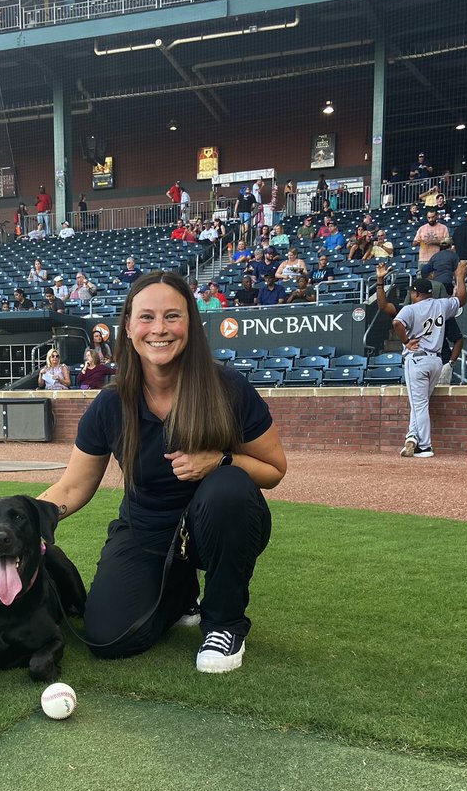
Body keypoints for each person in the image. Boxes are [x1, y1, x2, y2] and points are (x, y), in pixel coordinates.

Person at [37, 270, 286, 673]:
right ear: (129, 328)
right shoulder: (110, 405)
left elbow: (274, 470)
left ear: (190, 323)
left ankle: (223, 622)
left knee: (227, 488)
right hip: (146, 532)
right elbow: (72, 487)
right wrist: (19, 521)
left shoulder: (229, 388)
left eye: (172, 316)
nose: (160, 329)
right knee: (107, 638)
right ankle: (178, 591)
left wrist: (219, 460)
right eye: (147, 317)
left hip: (216, 526)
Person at [375, 260, 467, 459]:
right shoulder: (441, 305)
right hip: (436, 361)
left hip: (417, 359)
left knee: (419, 405)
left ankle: (424, 446)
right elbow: (461, 299)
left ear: (416, 293)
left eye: (412, 292)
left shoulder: (410, 309)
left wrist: (406, 341)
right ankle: (412, 437)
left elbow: (396, 322)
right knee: (421, 403)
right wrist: (459, 277)